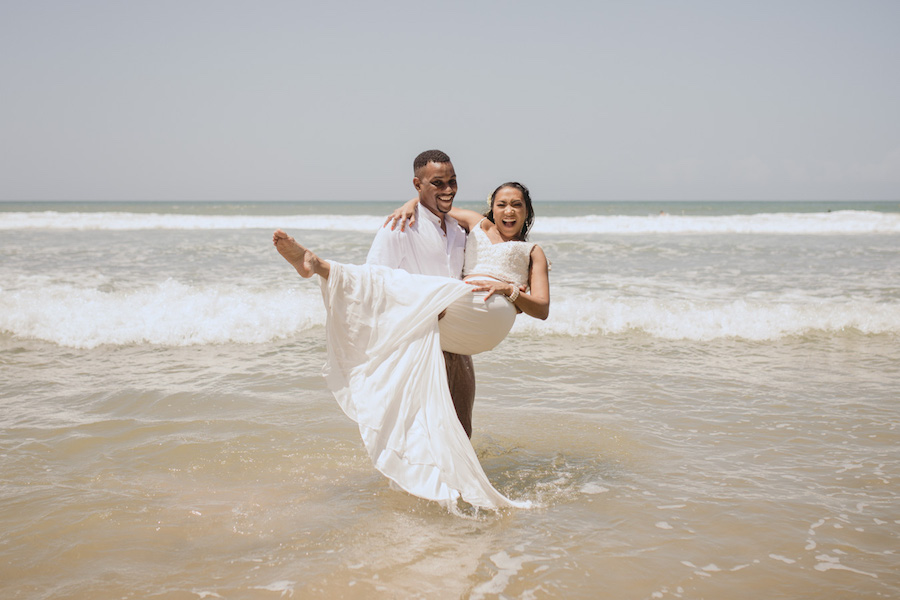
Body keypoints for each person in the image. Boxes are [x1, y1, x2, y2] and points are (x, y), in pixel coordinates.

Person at [272, 182, 549, 510]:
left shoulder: (533, 252)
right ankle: (446, 471)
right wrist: (408, 206)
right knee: (406, 310)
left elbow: (542, 308)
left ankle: (324, 268)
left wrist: (508, 289)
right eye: (502, 204)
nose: (509, 211)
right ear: (493, 207)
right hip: (459, 306)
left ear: (527, 211)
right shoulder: (477, 223)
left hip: (492, 314)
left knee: (402, 292)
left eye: (517, 204)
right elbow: (431, 203)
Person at [365, 150, 477, 438]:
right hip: (418, 343)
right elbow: (374, 282)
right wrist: (422, 303)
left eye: (452, 181)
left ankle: (458, 484)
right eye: (437, 183)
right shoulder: (399, 226)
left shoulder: (459, 229)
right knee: (419, 430)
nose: (448, 189)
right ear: (418, 185)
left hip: (458, 345)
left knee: (461, 429)